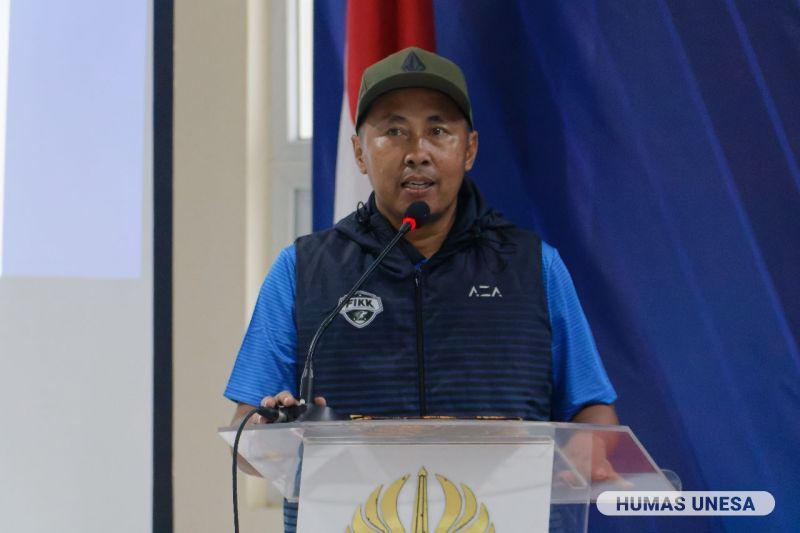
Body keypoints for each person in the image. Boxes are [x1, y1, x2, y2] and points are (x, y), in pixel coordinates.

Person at [225, 47, 618, 531]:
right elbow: (247, 427)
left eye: (438, 130)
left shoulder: (535, 266)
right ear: (359, 152)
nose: (417, 151)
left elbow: (592, 408)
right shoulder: (302, 270)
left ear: (469, 149)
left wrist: (587, 448)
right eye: (394, 131)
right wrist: (268, 434)